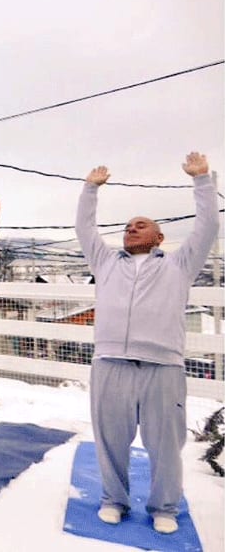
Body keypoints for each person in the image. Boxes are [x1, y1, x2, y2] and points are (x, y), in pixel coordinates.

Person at [75, 152, 217, 535]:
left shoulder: (178, 265)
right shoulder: (105, 263)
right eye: (128, 226)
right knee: (110, 443)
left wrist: (202, 181)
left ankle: (164, 508)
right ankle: (113, 501)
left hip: (163, 368)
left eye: (141, 225)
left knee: (166, 446)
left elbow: (206, 228)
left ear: (159, 237)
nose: (132, 228)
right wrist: (90, 189)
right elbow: (86, 229)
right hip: (110, 364)